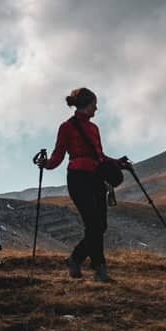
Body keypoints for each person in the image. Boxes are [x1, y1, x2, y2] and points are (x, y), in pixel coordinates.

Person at [38, 87, 130, 283]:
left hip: (95, 178)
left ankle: (75, 259)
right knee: (94, 224)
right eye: (94, 106)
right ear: (86, 106)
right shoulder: (67, 127)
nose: (96, 109)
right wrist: (46, 164)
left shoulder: (93, 128)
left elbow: (99, 156)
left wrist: (117, 163)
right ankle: (99, 269)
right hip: (78, 179)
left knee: (100, 225)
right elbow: (58, 155)